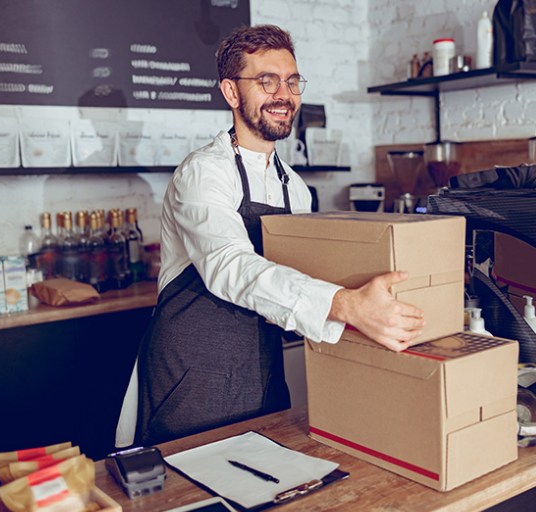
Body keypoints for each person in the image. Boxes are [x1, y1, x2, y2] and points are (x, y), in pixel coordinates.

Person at [131, 25, 425, 445]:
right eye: (266, 81)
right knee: (194, 498)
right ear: (232, 93)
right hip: (192, 374)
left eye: (291, 81)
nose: (283, 94)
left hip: (261, 368)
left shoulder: (296, 187)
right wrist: (346, 305)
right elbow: (230, 268)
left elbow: (298, 279)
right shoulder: (203, 173)